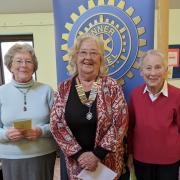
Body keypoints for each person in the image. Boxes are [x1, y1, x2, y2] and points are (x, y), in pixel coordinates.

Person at [50, 33, 128, 179]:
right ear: (75, 57)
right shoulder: (63, 88)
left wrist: (97, 154)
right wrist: (79, 155)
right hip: (77, 165)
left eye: (94, 53)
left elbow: (120, 123)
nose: (88, 57)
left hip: (108, 164)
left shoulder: (112, 87)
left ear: (100, 59)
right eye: (83, 52)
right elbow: (56, 125)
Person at [0, 43, 57, 180]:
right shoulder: (1, 92)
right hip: (11, 156)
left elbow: (58, 125)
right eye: (18, 61)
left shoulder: (47, 91)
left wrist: (40, 131)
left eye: (28, 61)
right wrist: (6, 134)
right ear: (10, 65)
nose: (23, 65)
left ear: (34, 66)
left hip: (43, 154)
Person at [128, 49, 180, 180]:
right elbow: (130, 128)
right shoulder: (135, 95)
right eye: (148, 68)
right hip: (142, 160)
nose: (153, 73)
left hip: (170, 161)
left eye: (158, 67)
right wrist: (129, 154)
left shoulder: (177, 95)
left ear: (166, 70)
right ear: (141, 71)